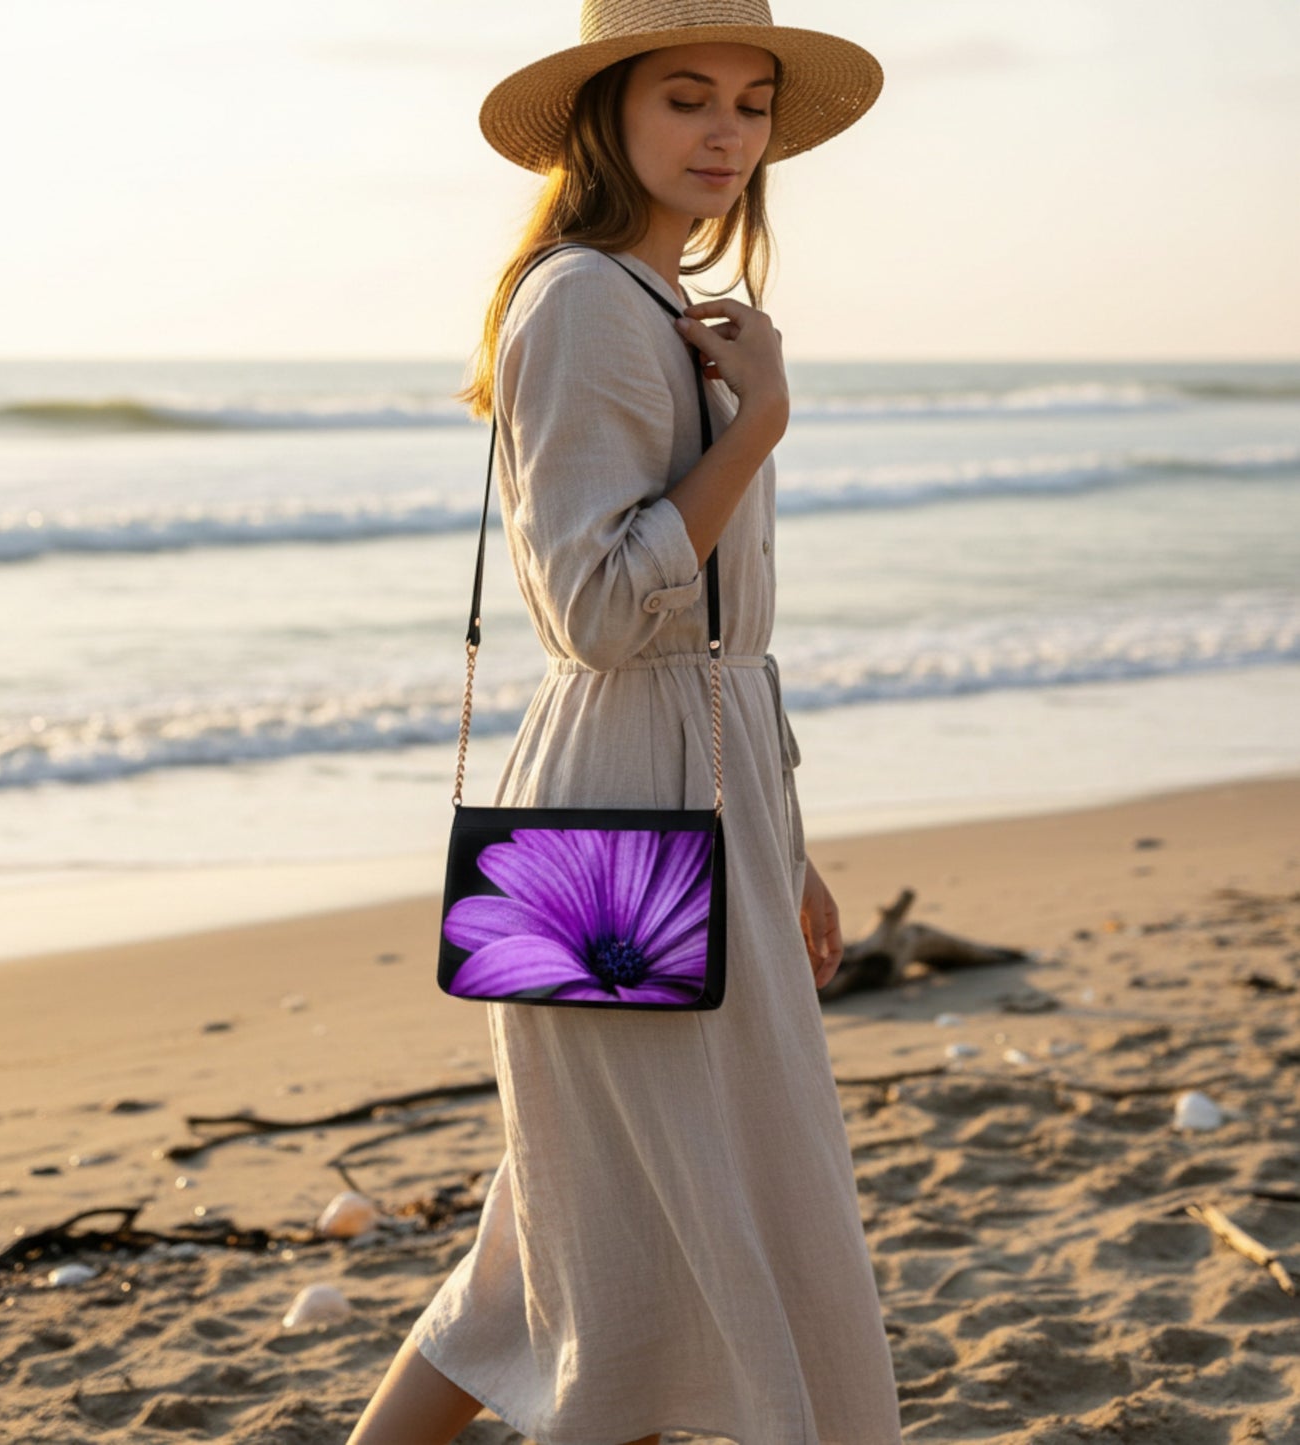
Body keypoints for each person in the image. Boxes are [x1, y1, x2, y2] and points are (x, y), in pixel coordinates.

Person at [349, 3, 901, 1442]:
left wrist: (791, 845)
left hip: (699, 784)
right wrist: (755, 428)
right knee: (636, 1223)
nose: (725, 131)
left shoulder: (661, 302)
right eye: (684, 98)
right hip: (620, 798)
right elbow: (595, 610)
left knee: (572, 1233)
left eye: (749, 102)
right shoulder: (585, 298)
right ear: (608, 117)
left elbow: (722, 634)